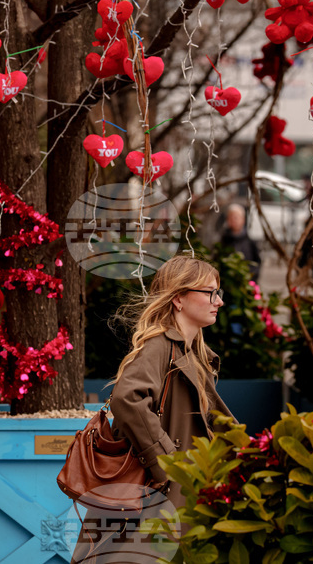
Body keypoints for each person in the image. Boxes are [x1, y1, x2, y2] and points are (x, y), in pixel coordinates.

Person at [72, 256, 235, 562]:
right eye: (210, 293)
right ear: (179, 299)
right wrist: (166, 462)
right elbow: (127, 399)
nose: (219, 302)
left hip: (178, 493)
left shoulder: (192, 352)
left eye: (218, 293)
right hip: (157, 494)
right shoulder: (160, 345)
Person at [220, 203, 262, 282]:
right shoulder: (223, 240)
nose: (233, 221)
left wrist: (250, 277)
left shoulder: (250, 241)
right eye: (230, 218)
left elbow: (257, 263)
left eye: (236, 218)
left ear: (243, 220)